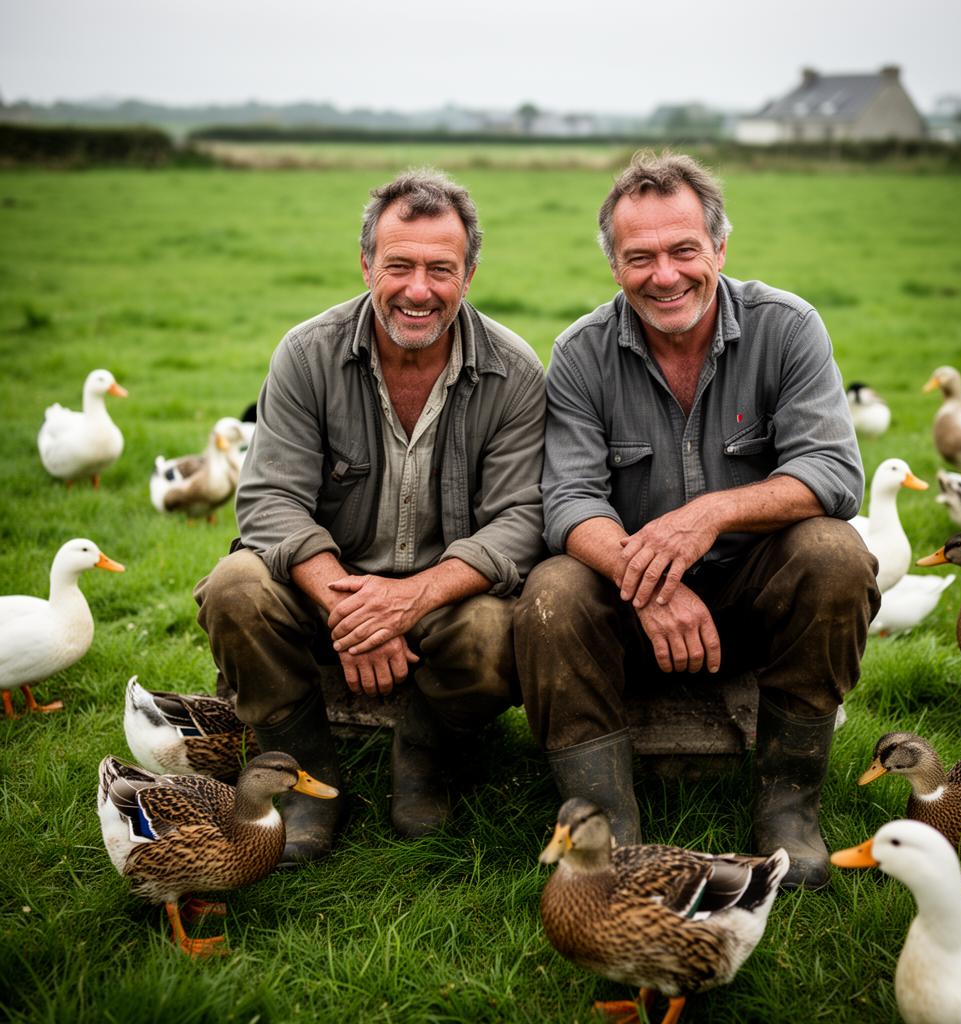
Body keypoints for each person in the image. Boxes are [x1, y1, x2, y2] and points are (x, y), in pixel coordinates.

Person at [514, 152, 880, 889]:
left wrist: (711, 514)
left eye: (684, 250)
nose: (665, 274)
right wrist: (643, 581)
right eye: (639, 256)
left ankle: (788, 808)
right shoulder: (582, 353)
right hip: (629, 616)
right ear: (614, 265)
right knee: (552, 588)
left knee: (835, 553)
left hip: (754, 606)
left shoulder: (787, 327)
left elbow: (835, 474)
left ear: (719, 247)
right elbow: (569, 502)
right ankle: (608, 837)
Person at [195, 170, 546, 863]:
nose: (419, 289)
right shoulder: (307, 353)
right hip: (326, 590)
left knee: (494, 634)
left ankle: (422, 755)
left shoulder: (513, 371)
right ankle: (307, 773)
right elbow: (268, 500)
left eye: (441, 268)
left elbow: (521, 519)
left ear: (469, 273)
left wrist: (409, 599)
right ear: (366, 265)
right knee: (235, 589)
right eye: (400, 266)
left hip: (445, 598)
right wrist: (350, 605)